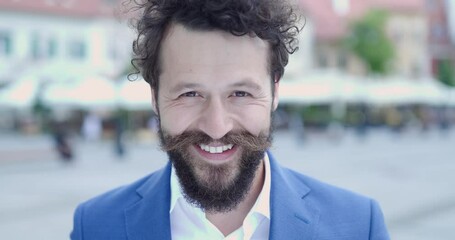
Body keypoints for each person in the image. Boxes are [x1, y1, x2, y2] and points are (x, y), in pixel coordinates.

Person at [70, 0, 390, 239]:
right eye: (190, 94)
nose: (216, 127)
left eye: (240, 93)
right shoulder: (96, 226)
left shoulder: (359, 226)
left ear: (274, 91)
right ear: (154, 96)